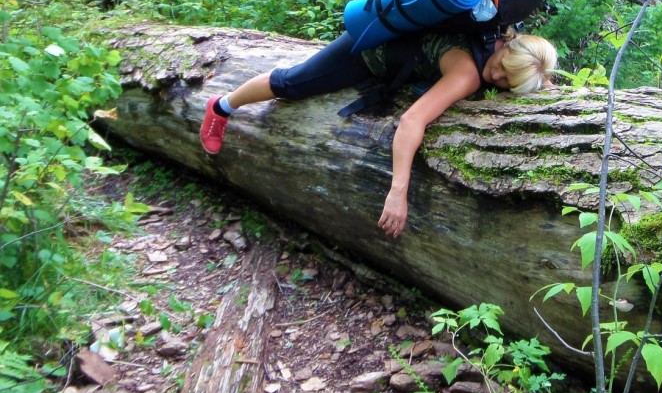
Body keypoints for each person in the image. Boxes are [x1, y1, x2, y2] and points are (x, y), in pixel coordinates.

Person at [199, 28, 557, 238]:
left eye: (507, 83)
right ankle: (222, 105)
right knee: (293, 83)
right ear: (508, 47)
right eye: (500, 71)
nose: (496, 78)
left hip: (400, 51)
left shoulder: (498, 33)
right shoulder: (467, 72)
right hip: (368, 49)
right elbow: (411, 122)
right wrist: (397, 192)